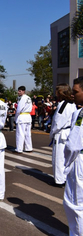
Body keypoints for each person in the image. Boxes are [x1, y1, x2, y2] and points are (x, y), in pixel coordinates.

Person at [63, 77, 83, 236]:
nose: (73, 95)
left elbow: (72, 145)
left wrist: (67, 163)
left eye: (76, 92)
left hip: (80, 161)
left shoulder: (81, 113)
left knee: (75, 204)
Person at [49, 83, 76, 187]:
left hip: (61, 133)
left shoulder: (62, 105)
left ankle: (59, 180)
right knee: (66, 158)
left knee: (58, 158)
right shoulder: (72, 104)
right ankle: (65, 177)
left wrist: (52, 134)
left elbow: (57, 122)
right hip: (69, 132)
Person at [14, 86, 33, 153]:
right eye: (18, 91)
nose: (18, 92)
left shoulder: (23, 98)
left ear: (23, 91)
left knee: (20, 134)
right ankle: (28, 147)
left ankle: (19, 149)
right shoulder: (29, 98)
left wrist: (15, 118)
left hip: (22, 116)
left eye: (20, 91)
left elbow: (19, 109)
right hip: (28, 116)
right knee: (28, 134)